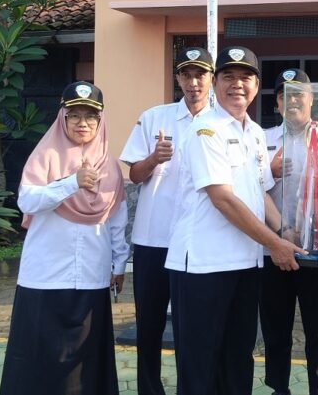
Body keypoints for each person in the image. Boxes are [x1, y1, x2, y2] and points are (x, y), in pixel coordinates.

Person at [164, 46, 305, 395]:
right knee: (201, 367)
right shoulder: (204, 130)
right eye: (228, 76)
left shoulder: (255, 133)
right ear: (215, 83)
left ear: (257, 85)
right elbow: (222, 198)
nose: (237, 84)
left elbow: (258, 194)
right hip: (201, 266)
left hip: (245, 263)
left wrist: (285, 230)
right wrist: (275, 244)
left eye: (246, 77)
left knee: (238, 360)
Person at [0, 81, 129, 395]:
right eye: (74, 115)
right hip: (45, 277)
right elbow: (27, 202)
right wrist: (71, 182)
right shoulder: (45, 155)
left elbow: (116, 218)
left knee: (85, 363)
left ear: (101, 121)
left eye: (91, 116)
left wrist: (120, 263)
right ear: (63, 118)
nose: (83, 123)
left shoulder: (108, 165)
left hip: (91, 276)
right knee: (40, 360)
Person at [119, 47, 214, 395]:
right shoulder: (154, 117)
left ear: (211, 79)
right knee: (149, 325)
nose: (193, 82)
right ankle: (149, 388)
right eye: (186, 75)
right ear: (177, 79)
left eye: (200, 74)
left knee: (192, 326)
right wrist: (153, 159)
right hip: (153, 239)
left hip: (197, 241)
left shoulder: (219, 121)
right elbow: (135, 173)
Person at [260, 68, 318, 395]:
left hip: (317, 249)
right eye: (283, 95)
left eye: (298, 94)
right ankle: (279, 388)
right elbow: (250, 191)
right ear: (277, 102)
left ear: (311, 98)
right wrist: (269, 171)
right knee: (276, 327)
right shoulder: (261, 140)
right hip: (273, 248)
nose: (291, 101)